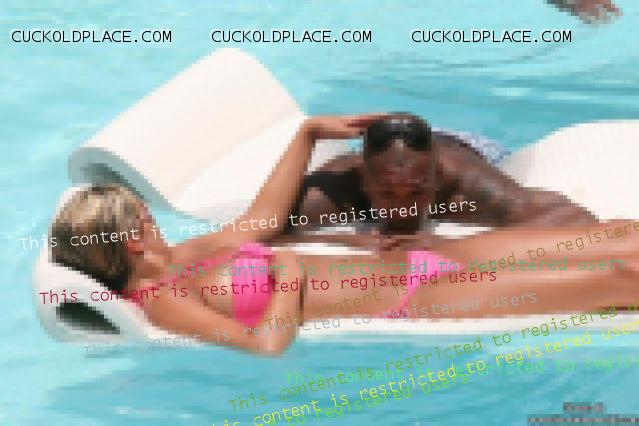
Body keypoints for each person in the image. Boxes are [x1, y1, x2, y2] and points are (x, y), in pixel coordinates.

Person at [50, 116, 639, 355]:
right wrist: (286, 279)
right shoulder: (165, 300)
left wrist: (307, 135)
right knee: (623, 275)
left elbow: (263, 219)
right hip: (421, 295)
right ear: (132, 239)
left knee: (618, 236)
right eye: (142, 216)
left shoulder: (189, 256)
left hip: (419, 258)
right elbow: (265, 346)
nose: (150, 219)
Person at [289, 113, 596, 247]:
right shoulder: (343, 187)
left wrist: (458, 243)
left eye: (416, 193)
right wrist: (342, 240)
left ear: (437, 181)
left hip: (468, 146)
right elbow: (264, 227)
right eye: (388, 194)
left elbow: (578, 220)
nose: (403, 209)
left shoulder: (466, 188)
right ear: (364, 183)